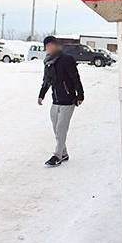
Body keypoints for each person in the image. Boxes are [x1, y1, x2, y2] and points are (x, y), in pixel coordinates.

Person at [38, 36, 84, 166]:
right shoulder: (48, 62)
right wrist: (41, 95)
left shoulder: (66, 59)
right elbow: (46, 80)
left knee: (61, 129)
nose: (49, 48)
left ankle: (57, 155)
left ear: (56, 45)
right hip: (56, 99)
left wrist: (80, 95)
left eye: (51, 45)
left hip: (68, 99)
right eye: (47, 46)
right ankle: (64, 153)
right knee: (56, 128)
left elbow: (76, 78)